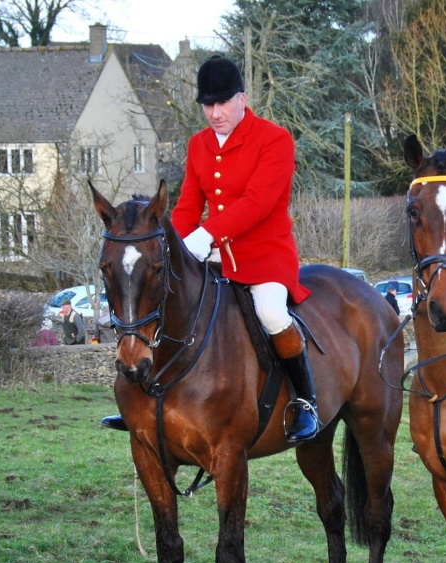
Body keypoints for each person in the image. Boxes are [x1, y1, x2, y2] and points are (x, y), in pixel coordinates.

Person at [102, 55, 320, 443]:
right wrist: (175, 246)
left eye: (223, 103)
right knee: (162, 303)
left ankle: (305, 402)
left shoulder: (274, 139)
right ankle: (142, 402)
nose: (215, 113)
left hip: (264, 257)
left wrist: (206, 237)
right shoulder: (198, 144)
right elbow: (187, 204)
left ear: (242, 98)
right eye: (208, 105)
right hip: (212, 255)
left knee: (270, 312)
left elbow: (258, 203)